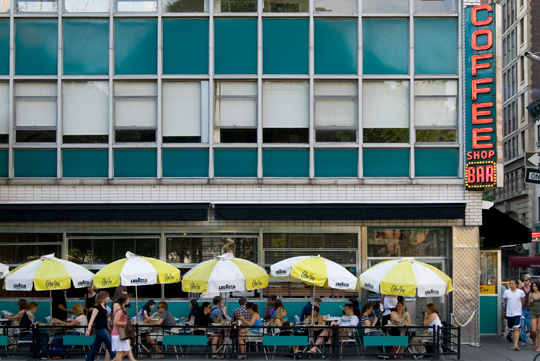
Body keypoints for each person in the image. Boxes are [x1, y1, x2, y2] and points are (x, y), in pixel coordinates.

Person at [85, 291, 116, 361]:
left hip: (101, 328)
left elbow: (100, 317)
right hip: (100, 329)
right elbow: (92, 319)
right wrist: (89, 329)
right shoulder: (96, 307)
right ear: (103, 298)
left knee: (95, 347)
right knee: (110, 345)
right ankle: (116, 358)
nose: (108, 298)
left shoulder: (103, 306)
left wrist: (107, 318)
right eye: (107, 297)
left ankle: (89, 359)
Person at [111, 295, 137, 361]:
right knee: (120, 352)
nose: (129, 301)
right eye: (128, 299)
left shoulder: (122, 309)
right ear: (124, 300)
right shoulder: (120, 310)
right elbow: (115, 322)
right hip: (118, 333)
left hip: (121, 333)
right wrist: (126, 323)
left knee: (127, 350)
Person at [504, 278, 526, 351]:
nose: (511, 285)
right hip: (509, 313)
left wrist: (519, 308)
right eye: (510, 283)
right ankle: (514, 344)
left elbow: (523, 301)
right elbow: (506, 301)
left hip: (517, 312)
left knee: (516, 328)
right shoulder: (506, 292)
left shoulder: (520, 292)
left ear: (516, 284)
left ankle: (516, 345)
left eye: (512, 283)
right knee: (512, 329)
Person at [520, 274, 532, 347]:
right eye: (524, 280)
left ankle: (531, 335)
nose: (525, 282)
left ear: (529, 281)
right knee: (522, 325)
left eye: (526, 280)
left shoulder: (532, 289)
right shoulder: (521, 289)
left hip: (530, 309)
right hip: (522, 309)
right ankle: (524, 340)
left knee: (531, 325)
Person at [529, 281, 540, 351]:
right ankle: (534, 340)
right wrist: (530, 302)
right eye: (533, 286)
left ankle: (539, 346)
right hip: (533, 312)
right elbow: (529, 305)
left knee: (539, 330)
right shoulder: (531, 294)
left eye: (535, 286)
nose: (534, 287)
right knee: (533, 330)